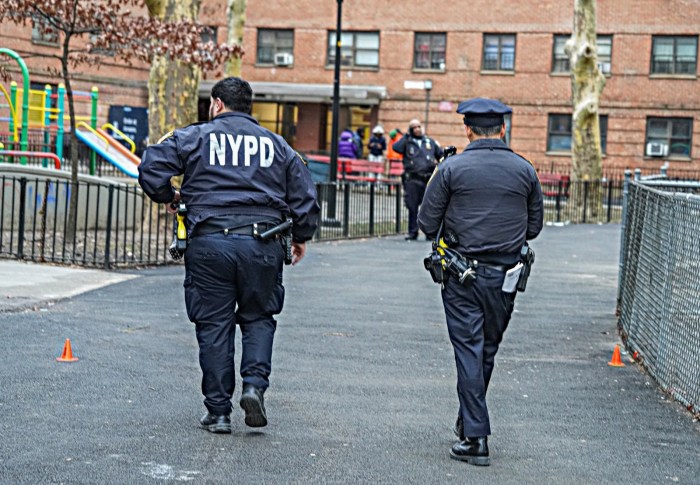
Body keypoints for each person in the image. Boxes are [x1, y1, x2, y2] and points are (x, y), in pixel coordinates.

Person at [138, 77, 320, 434]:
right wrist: (301, 236)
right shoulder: (278, 145)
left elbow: (151, 168)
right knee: (259, 317)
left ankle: (218, 411)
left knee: (214, 325)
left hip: (209, 244)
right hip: (263, 243)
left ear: (217, 104)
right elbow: (305, 197)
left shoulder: (194, 136)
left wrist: (169, 198)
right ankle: (254, 386)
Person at [418, 98, 543, 465]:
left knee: (469, 350)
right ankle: (470, 423)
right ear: (502, 130)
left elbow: (426, 223)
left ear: (468, 130)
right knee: (485, 350)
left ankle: (475, 437)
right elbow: (533, 229)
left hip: (462, 275)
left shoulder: (452, 168)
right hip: (505, 276)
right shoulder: (525, 169)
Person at [392, 119, 442, 240]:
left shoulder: (429, 141)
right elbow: (396, 148)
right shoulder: (407, 142)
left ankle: (429, 233)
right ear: (410, 129)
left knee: (429, 208)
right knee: (412, 206)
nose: (417, 129)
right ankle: (412, 232)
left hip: (428, 179)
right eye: (413, 127)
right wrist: (406, 136)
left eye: (418, 126)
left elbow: (440, 155)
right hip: (412, 179)